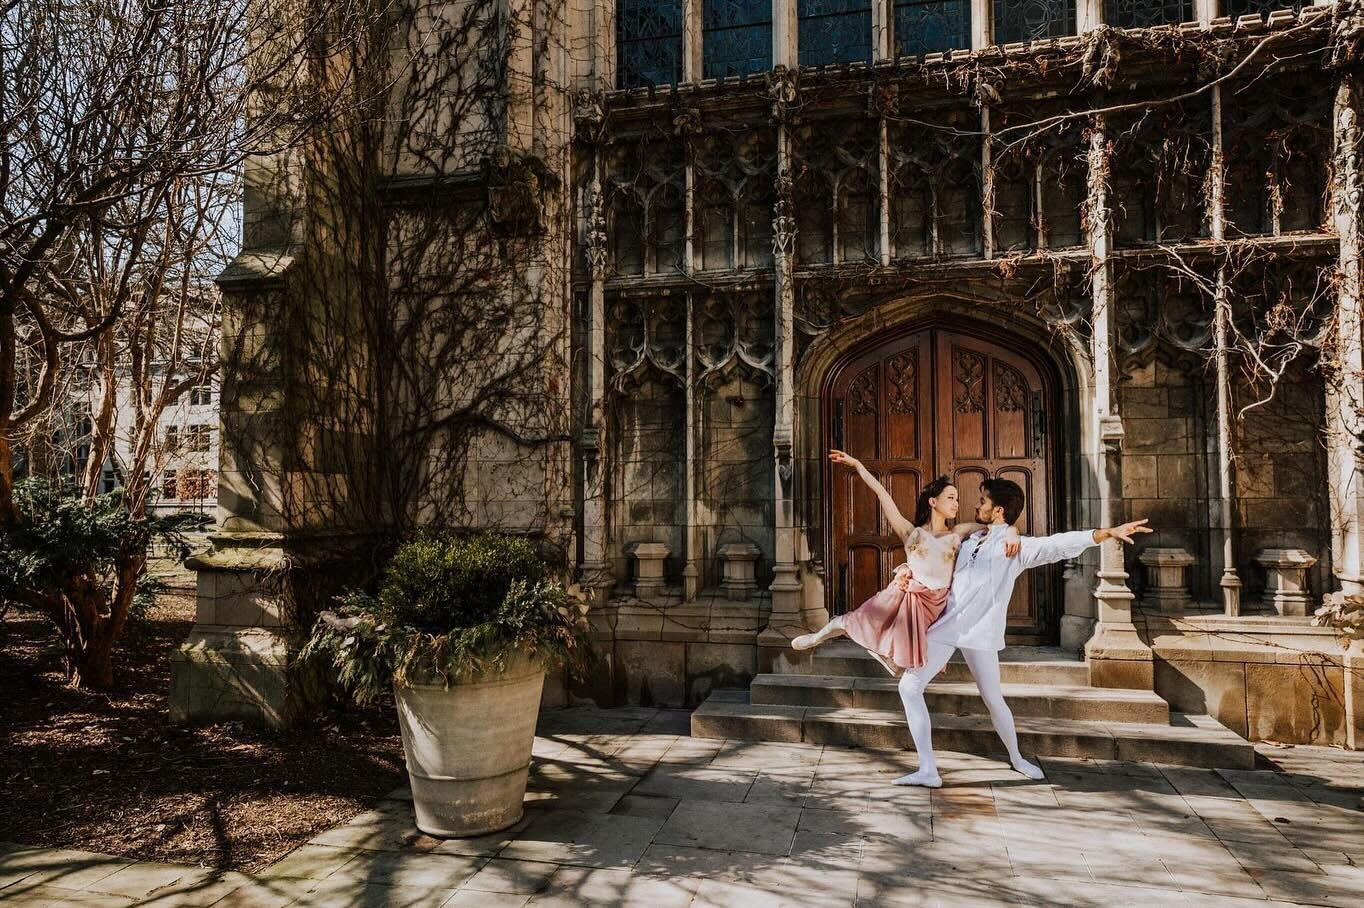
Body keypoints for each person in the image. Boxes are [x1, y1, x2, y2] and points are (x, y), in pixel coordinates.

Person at [892, 478, 1152, 788]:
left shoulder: (1015, 547)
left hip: (981, 634)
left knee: (993, 699)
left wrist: (1105, 534)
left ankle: (1016, 758)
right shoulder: (972, 538)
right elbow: (933, 557)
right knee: (909, 687)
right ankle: (928, 770)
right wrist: (907, 570)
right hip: (947, 627)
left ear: (998, 510)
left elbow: (1057, 544)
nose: (977, 506)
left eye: (983, 502)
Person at [791, 450, 1020, 675]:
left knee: (901, 670)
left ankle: (880, 651)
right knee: (850, 621)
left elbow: (996, 526)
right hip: (903, 596)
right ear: (933, 501)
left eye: (957, 499)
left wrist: (1013, 531)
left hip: (934, 605)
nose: (957, 503)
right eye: (951, 497)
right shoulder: (912, 533)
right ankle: (815, 637)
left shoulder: (958, 533)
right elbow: (882, 495)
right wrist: (858, 465)